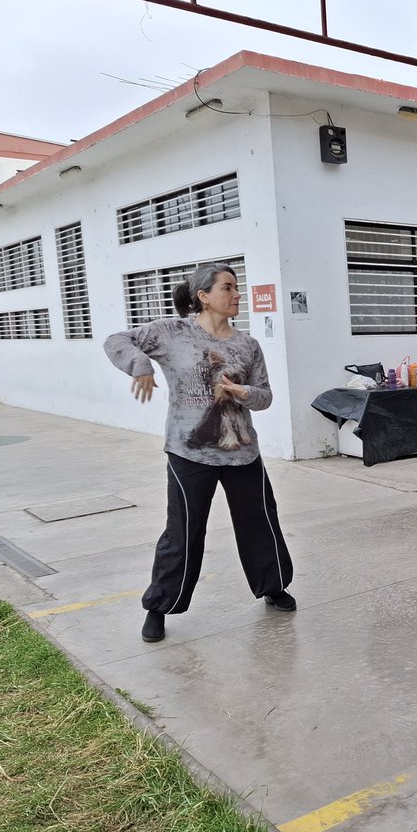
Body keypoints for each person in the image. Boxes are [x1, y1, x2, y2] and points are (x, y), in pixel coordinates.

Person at [104, 263, 295, 643]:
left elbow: (266, 396)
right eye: (228, 288)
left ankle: (272, 587)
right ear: (203, 296)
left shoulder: (247, 345)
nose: (237, 294)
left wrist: (241, 393)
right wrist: (140, 365)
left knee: (260, 524)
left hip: (242, 453)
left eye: (236, 288)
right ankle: (159, 606)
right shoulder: (170, 332)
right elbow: (116, 341)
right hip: (188, 453)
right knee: (183, 532)